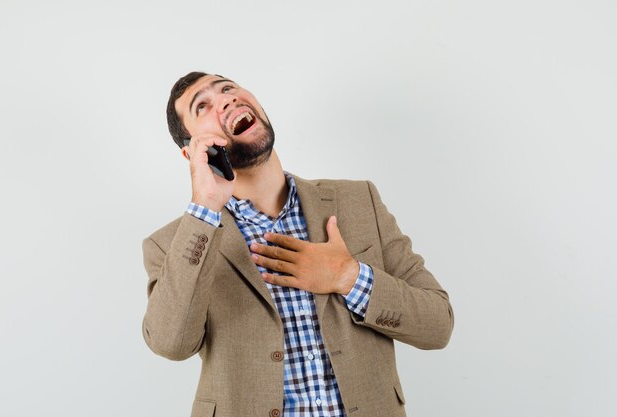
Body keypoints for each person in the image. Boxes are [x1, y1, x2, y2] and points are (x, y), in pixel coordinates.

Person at [141, 71, 454, 417]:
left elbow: (438, 324)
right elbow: (170, 343)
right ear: (192, 153)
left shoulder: (359, 201)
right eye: (203, 106)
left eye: (228, 88)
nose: (226, 99)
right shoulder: (174, 243)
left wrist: (348, 277)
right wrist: (205, 210)